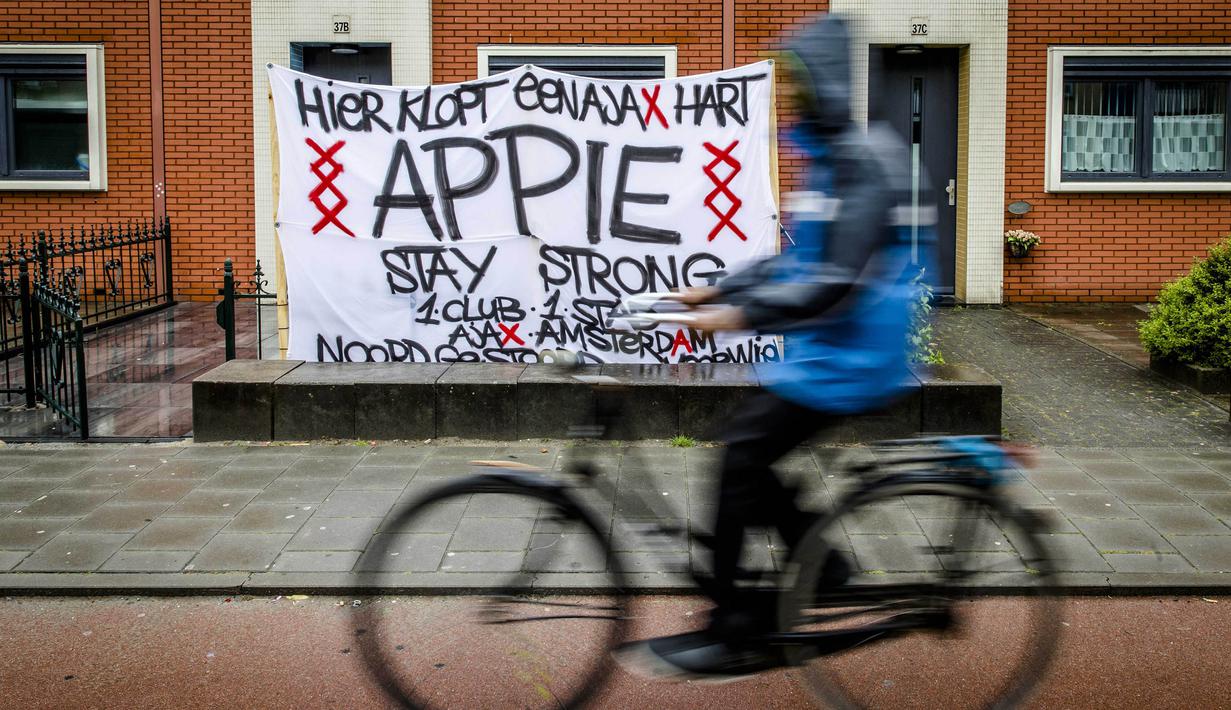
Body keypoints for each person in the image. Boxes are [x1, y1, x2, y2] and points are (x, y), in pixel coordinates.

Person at [616, 13, 936, 679]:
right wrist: (707, 294)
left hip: (854, 356)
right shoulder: (827, 160)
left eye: (797, 83)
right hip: (823, 351)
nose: (789, 97)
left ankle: (733, 627)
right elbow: (792, 263)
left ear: (826, 84)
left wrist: (733, 318)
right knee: (747, 455)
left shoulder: (863, 161)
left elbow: (831, 283)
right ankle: (823, 569)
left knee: (738, 459)